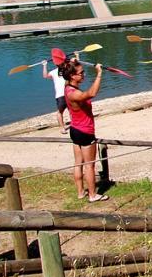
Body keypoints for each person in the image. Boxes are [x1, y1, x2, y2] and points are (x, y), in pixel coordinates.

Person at [59, 58, 108, 202]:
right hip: (85, 132)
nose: (84, 74)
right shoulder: (74, 94)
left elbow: (65, 69)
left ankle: (81, 192)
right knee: (89, 166)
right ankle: (92, 195)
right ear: (72, 76)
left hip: (75, 130)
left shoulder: (67, 86)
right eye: (81, 73)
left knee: (78, 163)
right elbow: (91, 93)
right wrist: (99, 74)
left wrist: (73, 62)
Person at [43, 57, 72, 133]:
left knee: (72, 110)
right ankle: (62, 128)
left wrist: (77, 57)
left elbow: (75, 68)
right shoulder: (53, 72)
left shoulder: (67, 70)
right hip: (60, 95)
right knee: (60, 112)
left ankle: (75, 125)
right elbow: (45, 76)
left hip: (69, 93)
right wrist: (44, 65)